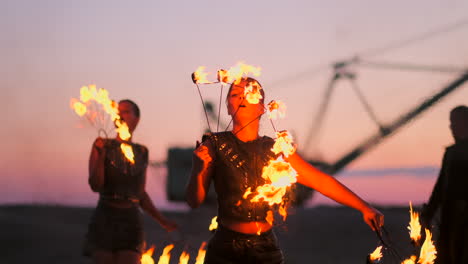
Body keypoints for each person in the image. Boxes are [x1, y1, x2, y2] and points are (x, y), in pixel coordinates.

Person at [186, 77, 384, 264]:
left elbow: (320, 181)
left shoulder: (277, 148)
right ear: (228, 106)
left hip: (266, 249)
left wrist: (364, 207)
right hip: (225, 249)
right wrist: (198, 170)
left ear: (262, 108)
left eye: (249, 92)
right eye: (235, 94)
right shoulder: (214, 144)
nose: (242, 97)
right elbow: (194, 201)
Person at [84, 99, 178, 264]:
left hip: (131, 220)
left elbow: (140, 194)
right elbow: (95, 185)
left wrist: (163, 221)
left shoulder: (141, 151)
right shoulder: (102, 144)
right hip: (105, 217)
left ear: (136, 119)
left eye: (126, 111)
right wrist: (101, 156)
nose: (120, 115)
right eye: (118, 112)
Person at [422, 105, 468, 264]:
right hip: (451, 219)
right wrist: (428, 213)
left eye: (455, 122)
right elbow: (441, 187)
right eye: (451, 123)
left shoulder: (457, 153)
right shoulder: (451, 153)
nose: (451, 127)